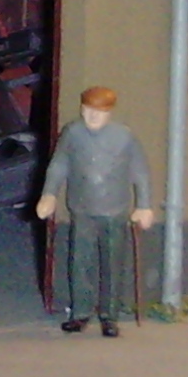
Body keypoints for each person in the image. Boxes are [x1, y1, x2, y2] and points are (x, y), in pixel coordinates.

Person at [35, 85, 156, 338]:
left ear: (109, 112)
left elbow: (140, 172)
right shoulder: (72, 133)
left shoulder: (124, 137)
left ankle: (109, 315)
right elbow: (59, 164)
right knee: (80, 261)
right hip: (82, 209)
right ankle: (80, 312)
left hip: (115, 209)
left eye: (99, 112)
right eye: (88, 109)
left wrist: (144, 205)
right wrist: (49, 194)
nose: (92, 116)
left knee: (112, 263)